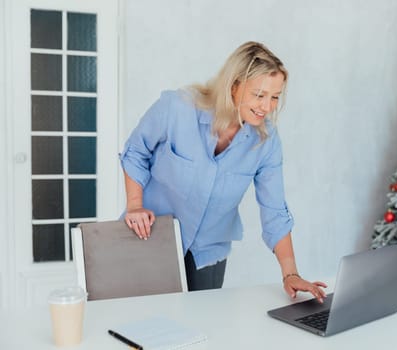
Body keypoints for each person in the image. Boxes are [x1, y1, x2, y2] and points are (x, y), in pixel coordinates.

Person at [120, 41, 326, 302]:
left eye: (275, 97)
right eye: (259, 95)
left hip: (208, 253)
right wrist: (135, 205)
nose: (267, 106)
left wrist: (290, 274)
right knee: (143, 324)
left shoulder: (266, 142)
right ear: (234, 85)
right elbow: (136, 152)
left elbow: (275, 210)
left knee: (199, 329)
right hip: (149, 238)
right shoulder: (177, 108)